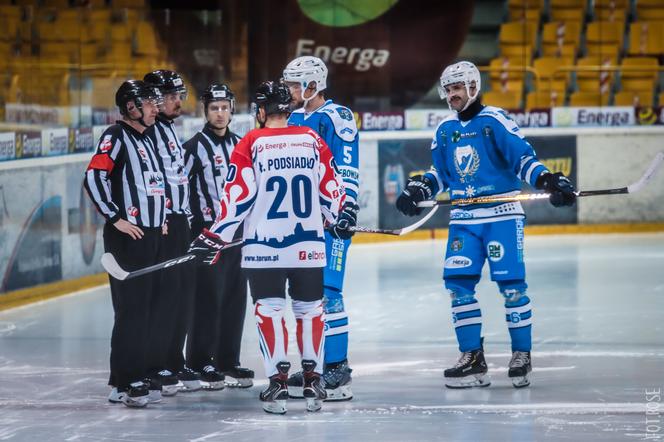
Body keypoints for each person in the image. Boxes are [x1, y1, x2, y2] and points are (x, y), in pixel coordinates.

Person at [396, 61, 576, 389]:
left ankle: (521, 354)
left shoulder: (495, 121)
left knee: (512, 289)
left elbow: (523, 160)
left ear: (473, 87)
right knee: (458, 286)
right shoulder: (445, 131)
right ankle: (472, 358)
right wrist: (420, 187)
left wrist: (549, 179)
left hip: (503, 215)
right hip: (465, 219)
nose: (451, 95)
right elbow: (441, 173)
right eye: (448, 89)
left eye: (457, 88)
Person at [187, 81, 355, 414]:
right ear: (288, 110)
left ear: (261, 111)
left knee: (270, 310)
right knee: (310, 311)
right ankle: (312, 381)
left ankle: (277, 384)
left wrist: (214, 235)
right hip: (308, 244)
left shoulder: (250, 142)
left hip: (264, 247)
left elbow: (238, 197)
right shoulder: (312, 140)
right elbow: (332, 189)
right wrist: (340, 214)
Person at [282, 55, 359, 401]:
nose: (290, 91)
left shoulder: (337, 116)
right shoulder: (292, 118)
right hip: (301, 222)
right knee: (306, 298)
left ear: (313, 85)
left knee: (330, 294)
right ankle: (314, 365)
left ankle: (337, 368)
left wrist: (348, 207)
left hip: (330, 221)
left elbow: (347, 166)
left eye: (294, 85)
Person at [83, 80, 165, 408]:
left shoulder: (148, 138)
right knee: (131, 309)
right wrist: (116, 217)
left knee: (147, 308)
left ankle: (136, 372)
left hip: (150, 234)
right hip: (127, 237)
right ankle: (123, 379)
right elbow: (94, 176)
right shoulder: (116, 137)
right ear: (131, 107)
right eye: (148, 102)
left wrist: (162, 218)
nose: (155, 107)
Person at [182, 83, 254, 389]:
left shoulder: (242, 144)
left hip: (238, 235)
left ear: (232, 109)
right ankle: (201, 361)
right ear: (205, 111)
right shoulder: (194, 147)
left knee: (235, 297)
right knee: (208, 297)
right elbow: (182, 189)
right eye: (214, 108)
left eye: (225, 107)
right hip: (209, 234)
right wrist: (191, 231)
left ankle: (228, 360)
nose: (220, 113)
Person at [142, 69, 193, 396]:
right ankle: (155, 362)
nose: (177, 101)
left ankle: (173, 358)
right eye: (172, 95)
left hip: (179, 220)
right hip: (164, 221)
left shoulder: (169, 129)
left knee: (180, 294)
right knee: (163, 294)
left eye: (179, 94)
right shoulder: (147, 133)